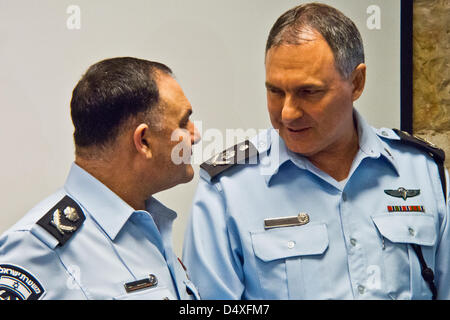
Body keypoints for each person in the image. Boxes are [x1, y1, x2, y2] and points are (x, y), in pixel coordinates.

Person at [182, 3, 449, 300]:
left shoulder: (423, 172)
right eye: (275, 91)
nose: (288, 113)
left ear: (356, 83)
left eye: (308, 92)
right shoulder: (227, 191)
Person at [0, 57, 201, 300]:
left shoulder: (147, 226)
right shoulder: (36, 249)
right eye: (183, 123)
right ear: (144, 141)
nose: (195, 135)